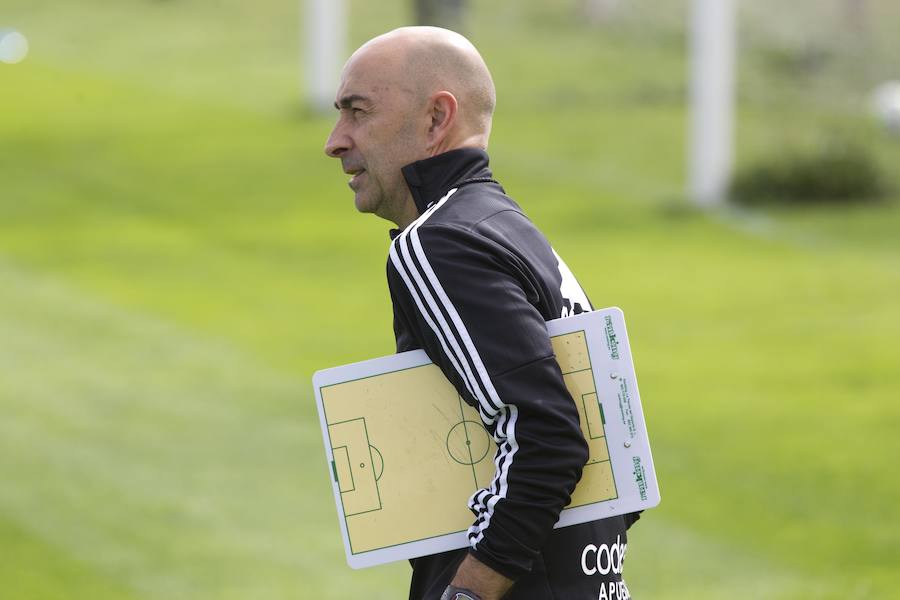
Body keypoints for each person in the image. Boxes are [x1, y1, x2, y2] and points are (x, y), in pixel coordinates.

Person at [324, 26, 638, 600]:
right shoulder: (508, 227)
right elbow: (613, 444)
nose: (335, 141)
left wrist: (469, 589)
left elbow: (549, 433)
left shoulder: (439, 243)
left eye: (357, 112)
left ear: (437, 118)